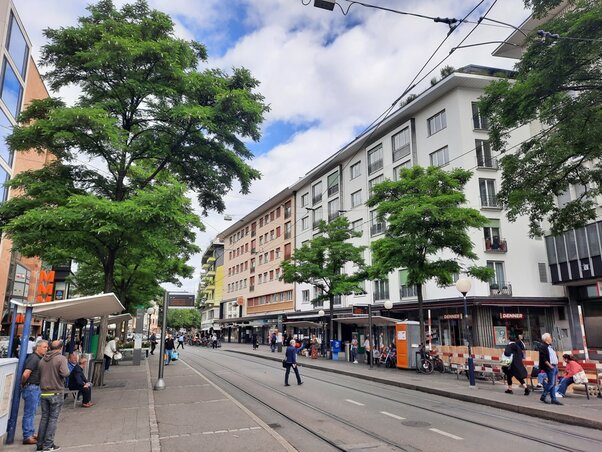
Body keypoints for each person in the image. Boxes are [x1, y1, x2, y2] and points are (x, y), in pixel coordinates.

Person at [37, 340, 70, 452]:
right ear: (61, 348)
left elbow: (40, 374)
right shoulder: (61, 359)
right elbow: (65, 373)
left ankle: (40, 445)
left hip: (44, 392)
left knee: (44, 418)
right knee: (53, 419)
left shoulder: (42, 359)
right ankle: (48, 445)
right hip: (56, 391)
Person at [21, 340, 48, 445]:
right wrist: (23, 384)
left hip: (35, 387)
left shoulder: (37, 358)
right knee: (29, 412)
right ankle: (27, 435)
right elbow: (26, 373)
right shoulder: (34, 358)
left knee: (32, 412)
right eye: (44, 347)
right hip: (32, 387)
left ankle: (30, 432)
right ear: (38, 347)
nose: (46, 349)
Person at [539, 332, 562, 405]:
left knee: (553, 383)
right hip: (550, 367)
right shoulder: (543, 347)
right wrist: (550, 366)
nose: (551, 339)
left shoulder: (550, 347)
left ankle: (553, 399)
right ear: (546, 339)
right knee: (551, 383)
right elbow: (544, 358)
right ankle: (543, 395)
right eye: (550, 337)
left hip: (554, 366)